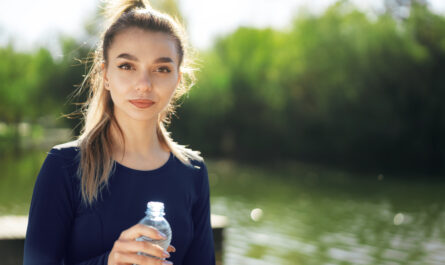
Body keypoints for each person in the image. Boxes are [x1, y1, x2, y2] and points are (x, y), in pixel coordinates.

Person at [23, 0, 215, 264]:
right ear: (106, 76)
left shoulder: (193, 172)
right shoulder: (64, 167)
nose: (144, 85)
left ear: (178, 80)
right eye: (127, 66)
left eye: (162, 69)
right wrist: (109, 261)